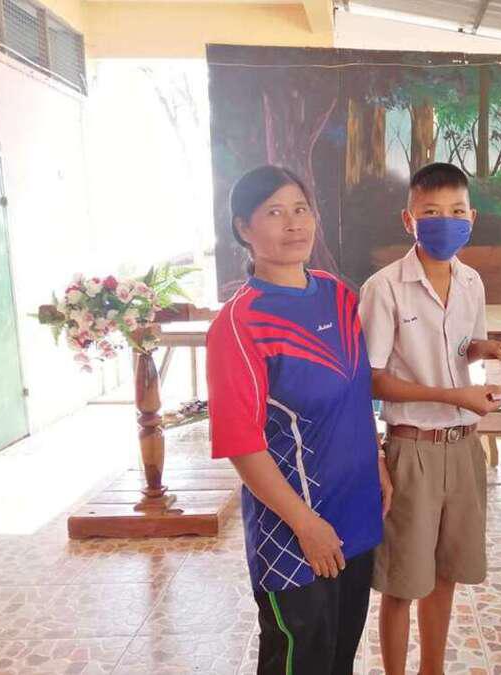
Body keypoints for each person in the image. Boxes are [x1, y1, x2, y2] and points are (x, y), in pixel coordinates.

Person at [206, 165, 393, 675]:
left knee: (339, 657)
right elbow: (242, 445)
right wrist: (306, 525)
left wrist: (376, 459)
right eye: (274, 212)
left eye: (301, 209)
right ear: (243, 228)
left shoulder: (338, 294)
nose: (293, 224)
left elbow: (355, 391)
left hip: (355, 511)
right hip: (293, 531)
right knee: (299, 659)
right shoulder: (239, 323)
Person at [358, 162, 501, 675]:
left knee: (446, 574)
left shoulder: (471, 282)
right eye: (431, 212)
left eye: (456, 211)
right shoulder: (384, 287)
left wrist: (485, 348)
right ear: (409, 220)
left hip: (464, 446)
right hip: (412, 448)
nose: (446, 221)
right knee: (403, 582)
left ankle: (433, 669)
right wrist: (453, 394)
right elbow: (372, 379)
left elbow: (464, 345)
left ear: (472, 218)